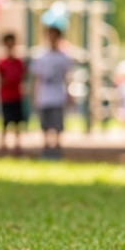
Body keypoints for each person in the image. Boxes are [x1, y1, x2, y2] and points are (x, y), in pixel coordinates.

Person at [30, 26, 72, 159]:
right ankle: (46, 149)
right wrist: (35, 95)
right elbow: (36, 78)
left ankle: (58, 149)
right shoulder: (40, 56)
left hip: (58, 95)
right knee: (45, 124)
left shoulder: (63, 57)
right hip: (44, 95)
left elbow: (67, 77)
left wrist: (69, 94)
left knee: (57, 123)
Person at [0, 32, 26, 155]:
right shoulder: (2, 63)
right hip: (6, 96)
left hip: (16, 95)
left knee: (17, 122)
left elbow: (21, 77)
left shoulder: (18, 62)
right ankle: (3, 146)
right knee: (5, 121)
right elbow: (2, 81)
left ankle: (17, 146)